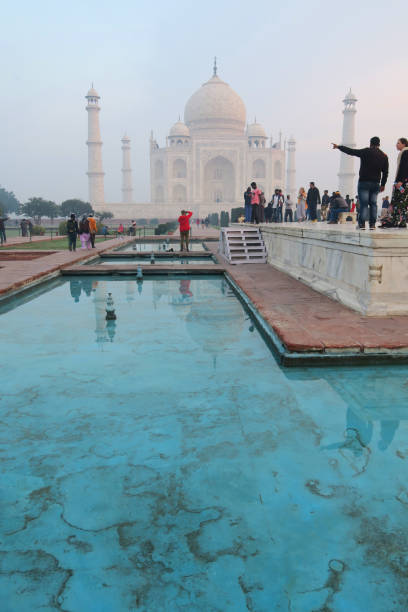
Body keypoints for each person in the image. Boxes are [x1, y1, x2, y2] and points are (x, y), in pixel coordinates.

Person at [332, 136, 389, 230]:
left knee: (364, 204)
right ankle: (372, 225)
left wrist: (339, 147)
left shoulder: (366, 151)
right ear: (379, 144)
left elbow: (352, 151)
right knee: (373, 204)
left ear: (370, 143)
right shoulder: (384, 156)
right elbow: (385, 172)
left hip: (364, 182)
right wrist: (383, 184)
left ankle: (362, 225)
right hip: (375, 184)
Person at [390, 137, 408, 228]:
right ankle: (399, 221)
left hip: (402, 183)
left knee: (400, 201)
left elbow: (404, 167)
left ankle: (399, 221)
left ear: (404, 144)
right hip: (403, 182)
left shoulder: (405, 152)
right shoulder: (404, 152)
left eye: (398, 143)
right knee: (401, 202)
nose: (396, 145)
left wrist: (400, 180)